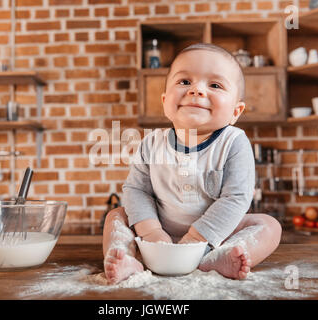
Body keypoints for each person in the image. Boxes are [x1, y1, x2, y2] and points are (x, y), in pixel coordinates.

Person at [102, 43, 282, 284]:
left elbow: (236, 197)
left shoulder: (234, 142)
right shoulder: (151, 143)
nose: (196, 90)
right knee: (116, 216)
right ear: (166, 102)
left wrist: (197, 238)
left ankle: (218, 260)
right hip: (157, 238)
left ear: (235, 112)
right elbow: (136, 190)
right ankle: (128, 259)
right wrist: (151, 232)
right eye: (185, 82)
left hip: (214, 238)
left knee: (269, 225)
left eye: (215, 85)